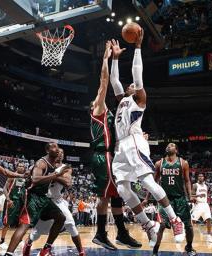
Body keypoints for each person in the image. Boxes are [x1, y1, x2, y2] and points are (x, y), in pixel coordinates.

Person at [109, 31, 185, 247]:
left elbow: (137, 73)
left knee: (147, 182)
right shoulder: (122, 100)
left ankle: (174, 218)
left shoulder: (139, 99)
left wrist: (138, 47)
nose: (131, 85)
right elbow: (114, 79)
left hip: (134, 141)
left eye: (134, 85)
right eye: (130, 86)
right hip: (120, 147)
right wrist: (114, 58)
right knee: (123, 189)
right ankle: (148, 224)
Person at [90, 41, 141, 250]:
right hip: (104, 155)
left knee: (118, 193)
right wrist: (106, 58)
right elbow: (106, 82)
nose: (100, 98)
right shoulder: (98, 109)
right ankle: (101, 234)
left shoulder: (118, 110)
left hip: (114, 154)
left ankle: (121, 233)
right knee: (106, 195)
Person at [4, 142, 69, 256]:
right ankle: (8, 253)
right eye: (54, 147)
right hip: (31, 196)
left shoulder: (54, 165)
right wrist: (55, 175)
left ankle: (47, 247)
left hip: (43, 197)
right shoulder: (42, 162)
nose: (57, 149)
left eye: (58, 147)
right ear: (48, 150)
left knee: (60, 218)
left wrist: (59, 177)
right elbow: (35, 179)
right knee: (25, 225)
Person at [23, 148, 85, 256]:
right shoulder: (44, 164)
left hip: (58, 200)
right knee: (38, 232)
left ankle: (81, 252)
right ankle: (28, 243)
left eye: (62, 153)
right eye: (58, 152)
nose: (60, 154)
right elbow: (34, 178)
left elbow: (68, 183)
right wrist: (54, 175)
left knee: (70, 224)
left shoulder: (66, 168)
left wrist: (53, 176)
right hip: (44, 200)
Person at [143, 143, 197, 255]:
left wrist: (190, 195)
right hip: (165, 199)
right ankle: (155, 251)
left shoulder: (183, 163)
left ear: (176, 150)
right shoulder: (159, 163)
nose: (168, 146)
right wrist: (146, 198)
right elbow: (152, 183)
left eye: (172, 145)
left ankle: (189, 247)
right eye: (167, 145)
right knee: (162, 225)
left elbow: (187, 180)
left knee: (188, 225)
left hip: (180, 198)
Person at [0, 162, 27, 250]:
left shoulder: (25, 178)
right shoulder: (12, 176)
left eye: (22, 166)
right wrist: (8, 199)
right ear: (16, 166)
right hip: (12, 201)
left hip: (21, 202)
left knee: (21, 223)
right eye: (19, 165)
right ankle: (2, 241)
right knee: (7, 223)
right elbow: (4, 188)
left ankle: (19, 239)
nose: (21, 167)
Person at [191, 173, 212, 243]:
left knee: (209, 219)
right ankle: (189, 235)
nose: (201, 177)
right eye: (199, 176)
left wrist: (209, 205)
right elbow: (191, 196)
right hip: (198, 205)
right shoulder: (195, 185)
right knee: (192, 221)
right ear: (197, 177)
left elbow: (206, 196)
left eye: (202, 176)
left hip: (205, 205)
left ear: (204, 178)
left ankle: (209, 236)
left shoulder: (206, 186)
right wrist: (198, 195)